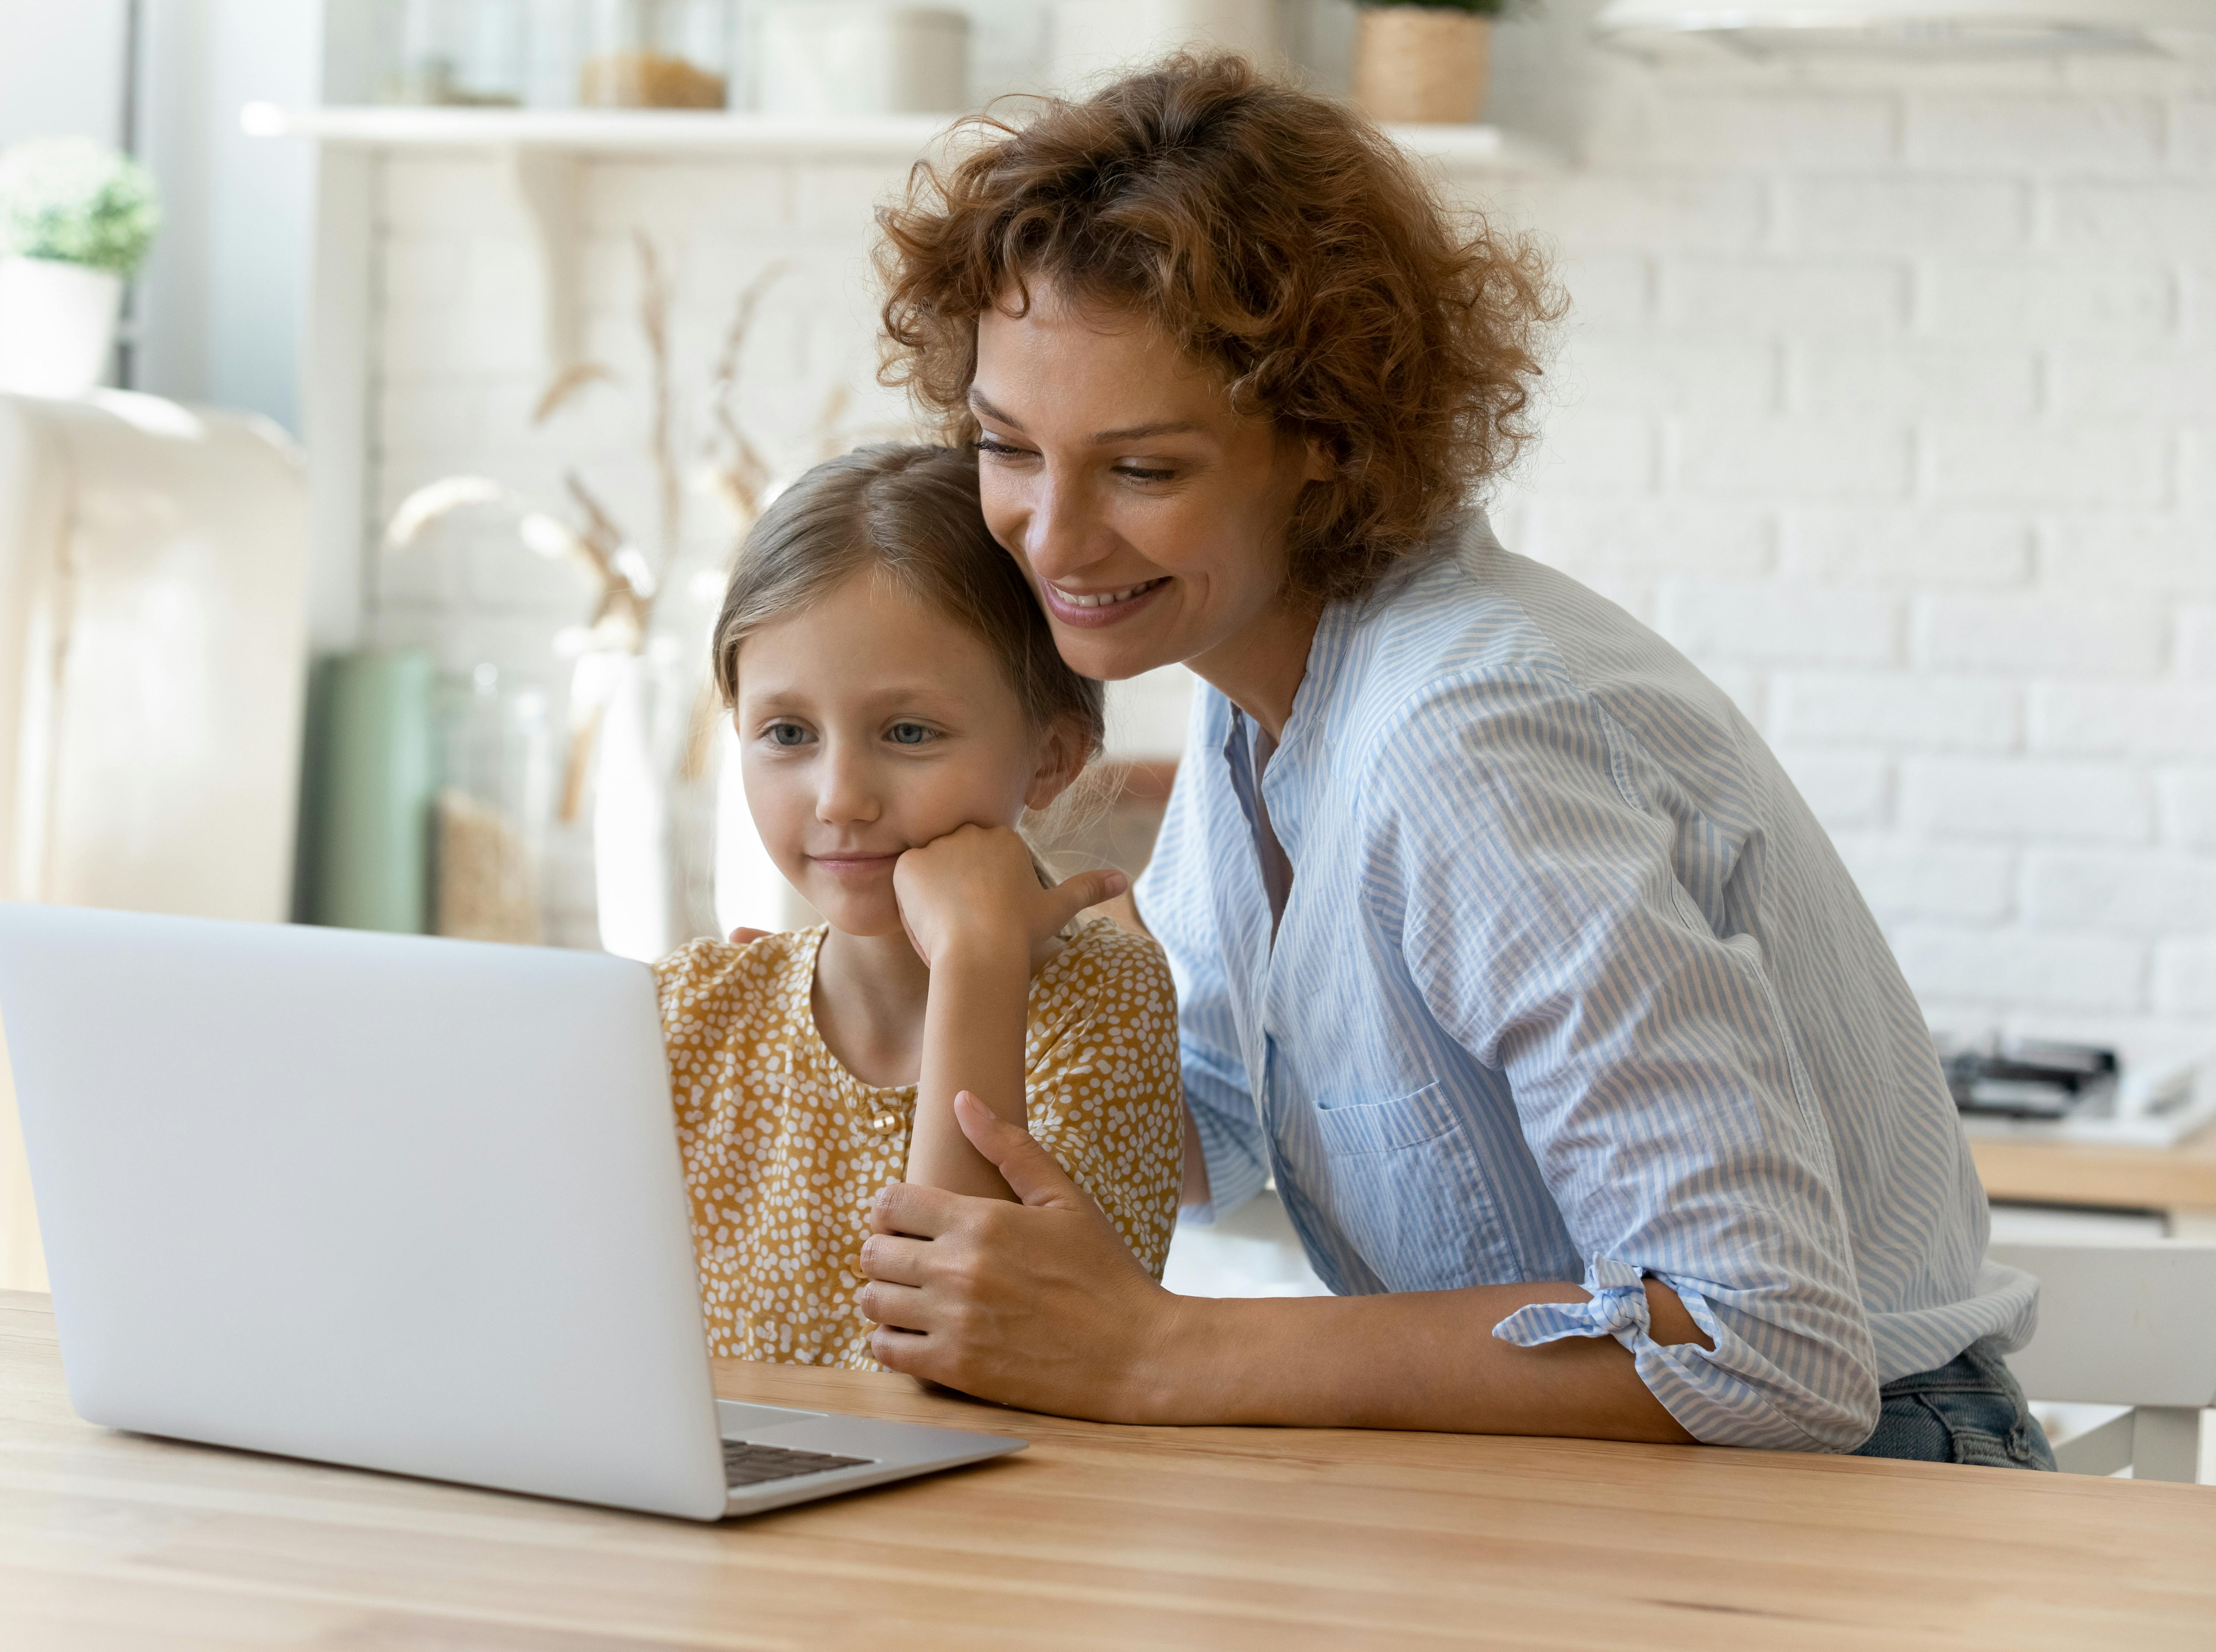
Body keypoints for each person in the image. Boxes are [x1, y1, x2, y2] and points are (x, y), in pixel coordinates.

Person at [848, 55, 2051, 1466]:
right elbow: (1212, 1137)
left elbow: (1763, 1345)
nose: (1051, 537)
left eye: (1144, 470)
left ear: (1323, 438)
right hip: (1584, 1499)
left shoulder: (1461, 738)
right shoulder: (1261, 704)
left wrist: (1161, 1352)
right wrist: (965, 968)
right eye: (1007, 449)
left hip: (1861, 1498)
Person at [654, 442, 1182, 1369]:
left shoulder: (1105, 1006)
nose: (839, 796)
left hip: (978, 1515)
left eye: (908, 732)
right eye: (786, 733)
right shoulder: (690, 1009)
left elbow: (961, 1362)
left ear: (1052, 758)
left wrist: (979, 958)